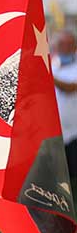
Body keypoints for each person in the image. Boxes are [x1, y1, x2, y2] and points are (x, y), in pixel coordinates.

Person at [51, 29, 77, 189]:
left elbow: (71, 88)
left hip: (74, 134)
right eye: (61, 44)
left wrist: (46, 75)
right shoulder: (53, 65)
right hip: (56, 133)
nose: (64, 48)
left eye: (69, 45)